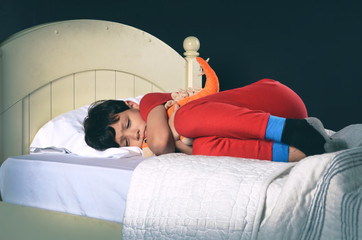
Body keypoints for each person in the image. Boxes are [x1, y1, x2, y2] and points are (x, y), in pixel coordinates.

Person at [84, 61, 327, 162]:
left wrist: (173, 138)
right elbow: (170, 145)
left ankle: (289, 130)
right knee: (204, 148)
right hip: (277, 129)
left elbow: (160, 143)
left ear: (131, 105)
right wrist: (181, 145)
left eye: (127, 125)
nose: (135, 135)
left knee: (185, 120)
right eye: (125, 141)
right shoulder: (171, 132)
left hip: (275, 100)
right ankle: (297, 152)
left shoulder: (150, 102)